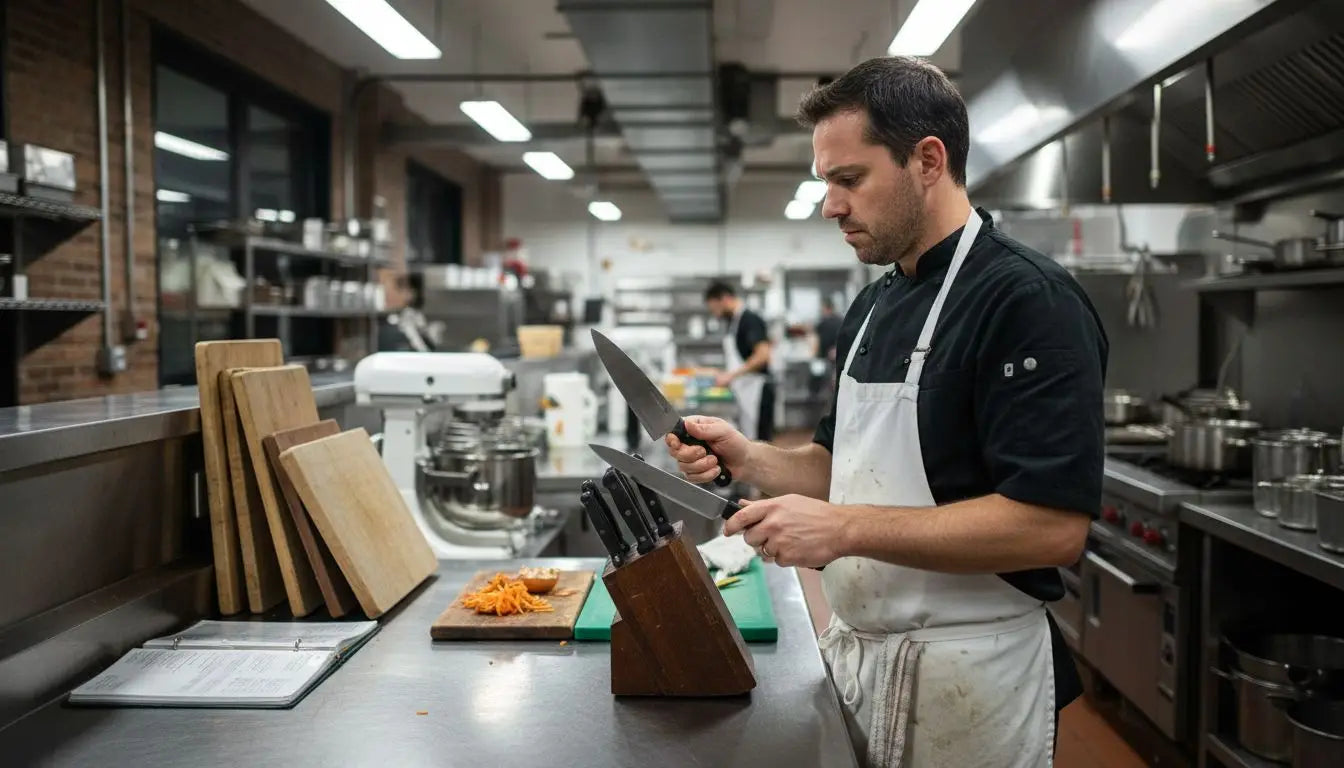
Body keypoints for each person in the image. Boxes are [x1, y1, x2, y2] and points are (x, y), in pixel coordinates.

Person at [667, 56, 1107, 768]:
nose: (830, 206)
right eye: (826, 183)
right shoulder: (873, 305)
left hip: (972, 678)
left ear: (927, 160)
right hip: (862, 661)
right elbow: (834, 468)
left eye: (849, 180)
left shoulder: (1027, 302)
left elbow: (1051, 526)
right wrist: (748, 457)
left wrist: (843, 528)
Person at [704, 281, 775, 443]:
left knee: (761, 445)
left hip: (758, 391)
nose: (715, 314)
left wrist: (731, 375)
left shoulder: (750, 320)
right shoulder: (733, 323)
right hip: (745, 390)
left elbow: (763, 355)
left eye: (715, 308)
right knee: (750, 443)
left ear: (724, 299)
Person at [815, 297, 843, 362]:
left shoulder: (823, 324)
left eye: (822, 309)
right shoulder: (841, 320)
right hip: (839, 356)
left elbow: (817, 343)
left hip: (826, 357)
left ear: (827, 309)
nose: (821, 311)